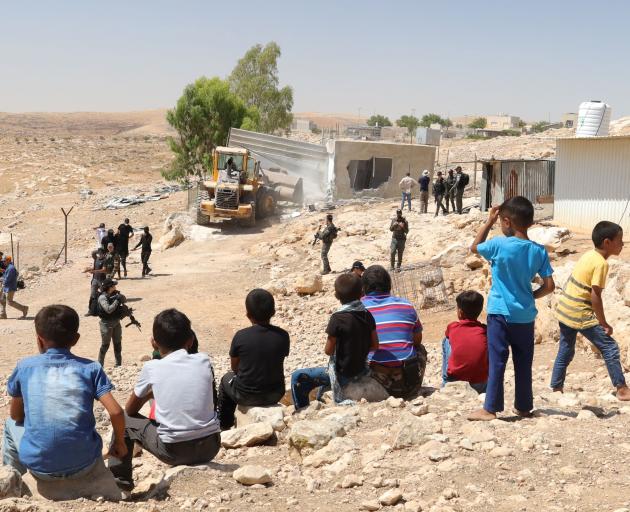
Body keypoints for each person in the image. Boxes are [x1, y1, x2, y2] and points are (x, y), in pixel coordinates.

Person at [3, 305, 127, 484]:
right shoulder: (91, 368)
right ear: (76, 339)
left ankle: (14, 481)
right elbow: (116, 412)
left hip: (41, 469)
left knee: (9, 425)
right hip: (84, 464)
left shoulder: (25, 367)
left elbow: (16, 416)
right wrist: (120, 442)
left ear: (39, 339)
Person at [108, 309, 220, 491]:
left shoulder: (152, 367)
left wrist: (152, 393)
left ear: (154, 342)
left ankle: (120, 481)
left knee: (123, 421)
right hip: (211, 446)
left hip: (174, 452)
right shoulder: (204, 360)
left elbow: (129, 411)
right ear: (191, 341)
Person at [468, 197, 555, 421]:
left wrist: (488, 222)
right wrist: (530, 296)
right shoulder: (538, 251)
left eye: (499, 222)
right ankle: (524, 406)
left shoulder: (499, 244)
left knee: (497, 360)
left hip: (500, 312)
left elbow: (474, 247)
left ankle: (491, 408)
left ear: (506, 221)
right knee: (524, 362)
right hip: (525, 315)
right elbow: (549, 286)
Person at [551, 221, 630, 401]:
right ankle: (622, 389)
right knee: (610, 347)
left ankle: (556, 387)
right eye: (620, 241)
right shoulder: (601, 264)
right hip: (579, 312)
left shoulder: (589, 255)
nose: (623, 244)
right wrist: (603, 323)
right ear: (607, 242)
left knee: (565, 348)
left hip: (565, 309)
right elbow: (595, 297)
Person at [291, 274, 378, 408]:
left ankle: (301, 409)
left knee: (298, 377)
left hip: (343, 374)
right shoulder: (367, 315)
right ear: (362, 294)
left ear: (337, 296)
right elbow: (375, 345)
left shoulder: (337, 318)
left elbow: (328, 350)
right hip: (361, 370)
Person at [217, 289, 290, 430]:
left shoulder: (241, 336)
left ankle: (224, 425)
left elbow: (235, 368)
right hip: (275, 393)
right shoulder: (283, 335)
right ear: (273, 312)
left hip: (246, 395)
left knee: (226, 379)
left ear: (248, 315)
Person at [361, 265, 427, 398]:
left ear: (364, 287)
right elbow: (417, 340)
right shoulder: (406, 305)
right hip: (407, 382)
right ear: (389, 285)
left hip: (373, 382)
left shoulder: (358, 309)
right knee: (420, 349)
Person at [442, 291, 488, 393]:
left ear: (460, 312)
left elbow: (449, 336)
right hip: (481, 383)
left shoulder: (453, 326)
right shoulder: (485, 330)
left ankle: (445, 383)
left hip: (456, 381)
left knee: (446, 340)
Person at [97, 278, 126, 367]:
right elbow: (108, 310)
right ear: (110, 287)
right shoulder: (102, 297)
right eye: (113, 285)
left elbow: (124, 300)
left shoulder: (114, 294)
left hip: (116, 322)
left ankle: (118, 364)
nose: (115, 286)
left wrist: (120, 297)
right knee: (105, 345)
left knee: (118, 344)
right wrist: (117, 300)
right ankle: (100, 365)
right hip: (106, 324)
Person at [84, 248, 107, 317]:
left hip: (102, 280)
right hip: (95, 279)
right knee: (92, 295)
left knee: (104, 295)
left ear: (104, 254)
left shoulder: (105, 260)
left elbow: (104, 270)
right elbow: (93, 253)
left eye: (101, 253)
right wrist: (90, 269)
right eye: (99, 253)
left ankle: (105, 310)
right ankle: (91, 311)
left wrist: (94, 271)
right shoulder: (96, 259)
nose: (99, 255)